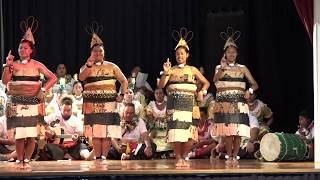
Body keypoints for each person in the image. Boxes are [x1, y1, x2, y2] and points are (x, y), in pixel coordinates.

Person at [1, 16, 57, 169]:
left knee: (31, 134)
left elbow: (53, 78)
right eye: (20, 48)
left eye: (25, 48)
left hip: (33, 103)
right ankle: (20, 160)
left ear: (31, 50)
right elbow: (5, 81)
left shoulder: (37, 64)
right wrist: (7, 65)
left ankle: (27, 160)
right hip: (17, 103)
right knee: (20, 135)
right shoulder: (13, 65)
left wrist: (43, 89)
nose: (22, 50)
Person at [158, 27, 210, 167]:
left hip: (190, 104)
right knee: (176, 132)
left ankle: (185, 156)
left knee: (188, 132)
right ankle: (178, 157)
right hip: (174, 105)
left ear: (187, 55)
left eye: (182, 53)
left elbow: (206, 83)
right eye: (177, 54)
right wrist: (165, 72)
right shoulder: (171, 70)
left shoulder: (192, 70)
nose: (179, 56)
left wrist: (202, 92)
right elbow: (162, 86)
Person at [79, 22, 128, 161]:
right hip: (92, 104)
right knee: (96, 132)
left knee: (106, 132)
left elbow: (124, 81)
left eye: (100, 51)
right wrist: (89, 65)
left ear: (104, 52)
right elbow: (81, 77)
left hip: (109, 104)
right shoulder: (86, 66)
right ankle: (98, 157)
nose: (98, 53)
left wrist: (122, 95)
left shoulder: (112, 66)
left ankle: (103, 158)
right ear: (91, 53)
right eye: (95, 51)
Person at [212, 27, 258, 166]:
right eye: (228, 52)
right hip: (224, 103)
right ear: (225, 54)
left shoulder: (242, 68)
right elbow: (215, 80)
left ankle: (235, 155)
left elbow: (255, 84)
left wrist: (249, 90)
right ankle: (229, 154)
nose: (231, 54)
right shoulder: (219, 67)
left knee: (237, 131)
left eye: (233, 52)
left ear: (237, 54)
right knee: (228, 132)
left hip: (239, 103)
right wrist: (222, 68)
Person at [44, 96, 91, 160]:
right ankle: (67, 156)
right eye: (64, 110)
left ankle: (89, 155)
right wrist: (47, 130)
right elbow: (42, 122)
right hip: (58, 146)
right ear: (60, 108)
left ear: (72, 110)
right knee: (48, 147)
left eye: (68, 110)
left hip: (72, 145)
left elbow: (79, 135)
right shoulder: (54, 116)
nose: (66, 112)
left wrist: (77, 138)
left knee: (83, 150)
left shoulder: (76, 120)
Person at [146, 88, 172, 158]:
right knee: (150, 136)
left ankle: (166, 153)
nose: (158, 95)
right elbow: (150, 120)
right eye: (156, 93)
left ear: (164, 95)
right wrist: (153, 128)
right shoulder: (151, 104)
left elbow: (170, 119)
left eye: (160, 93)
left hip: (166, 129)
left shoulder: (168, 104)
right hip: (154, 129)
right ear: (154, 95)